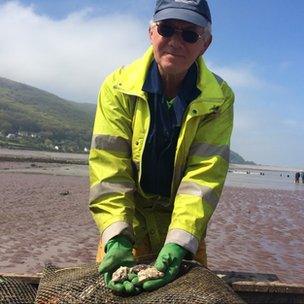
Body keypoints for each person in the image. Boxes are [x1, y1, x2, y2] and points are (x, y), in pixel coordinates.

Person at [89, 0, 234, 295]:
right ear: (151, 33)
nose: (175, 42)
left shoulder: (220, 98)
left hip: (180, 223)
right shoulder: (117, 87)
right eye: (167, 29)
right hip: (130, 218)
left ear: (205, 43)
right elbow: (109, 165)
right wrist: (116, 236)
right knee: (116, 291)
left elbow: (204, 175)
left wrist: (180, 241)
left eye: (189, 34)